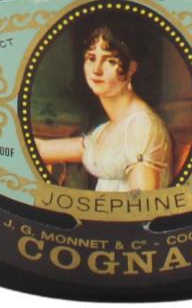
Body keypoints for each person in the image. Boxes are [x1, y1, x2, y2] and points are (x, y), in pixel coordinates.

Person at [34, 23, 174, 192]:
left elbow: (141, 202)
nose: (96, 70)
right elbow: (41, 150)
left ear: (131, 68)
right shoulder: (104, 131)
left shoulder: (141, 127)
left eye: (110, 61)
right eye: (91, 58)